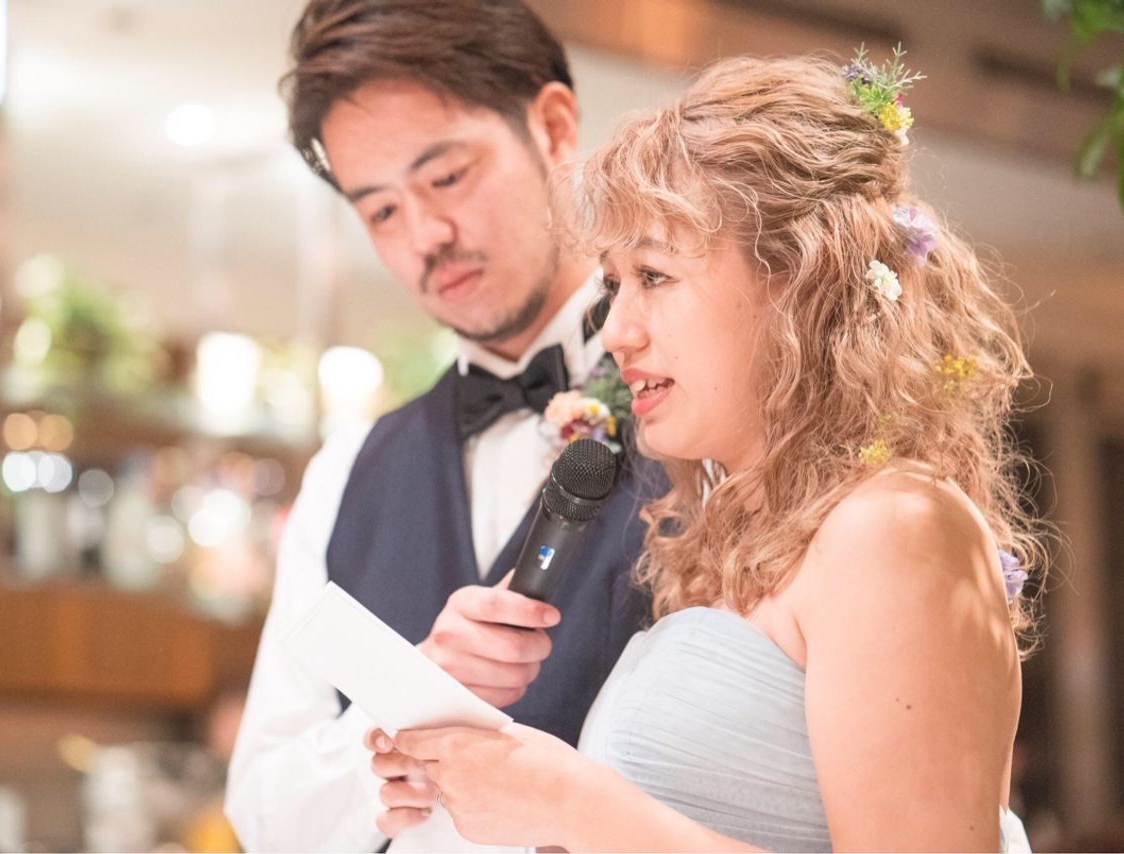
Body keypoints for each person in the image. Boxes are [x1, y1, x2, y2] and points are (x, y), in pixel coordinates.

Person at [371, 53, 1042, 851]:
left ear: (797, 279)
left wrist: (568, 803)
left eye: (654, 276)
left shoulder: (894, 526)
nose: (616, 332)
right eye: (613, 285)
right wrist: (490, 786)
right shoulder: (733, 541)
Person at [225, 1, 657, 850]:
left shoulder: (709, 419)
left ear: (554, 128)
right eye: (381, 212)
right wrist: (396, 717)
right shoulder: (348, 472)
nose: (427, 236)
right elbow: (266, 817)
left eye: (448, 177)